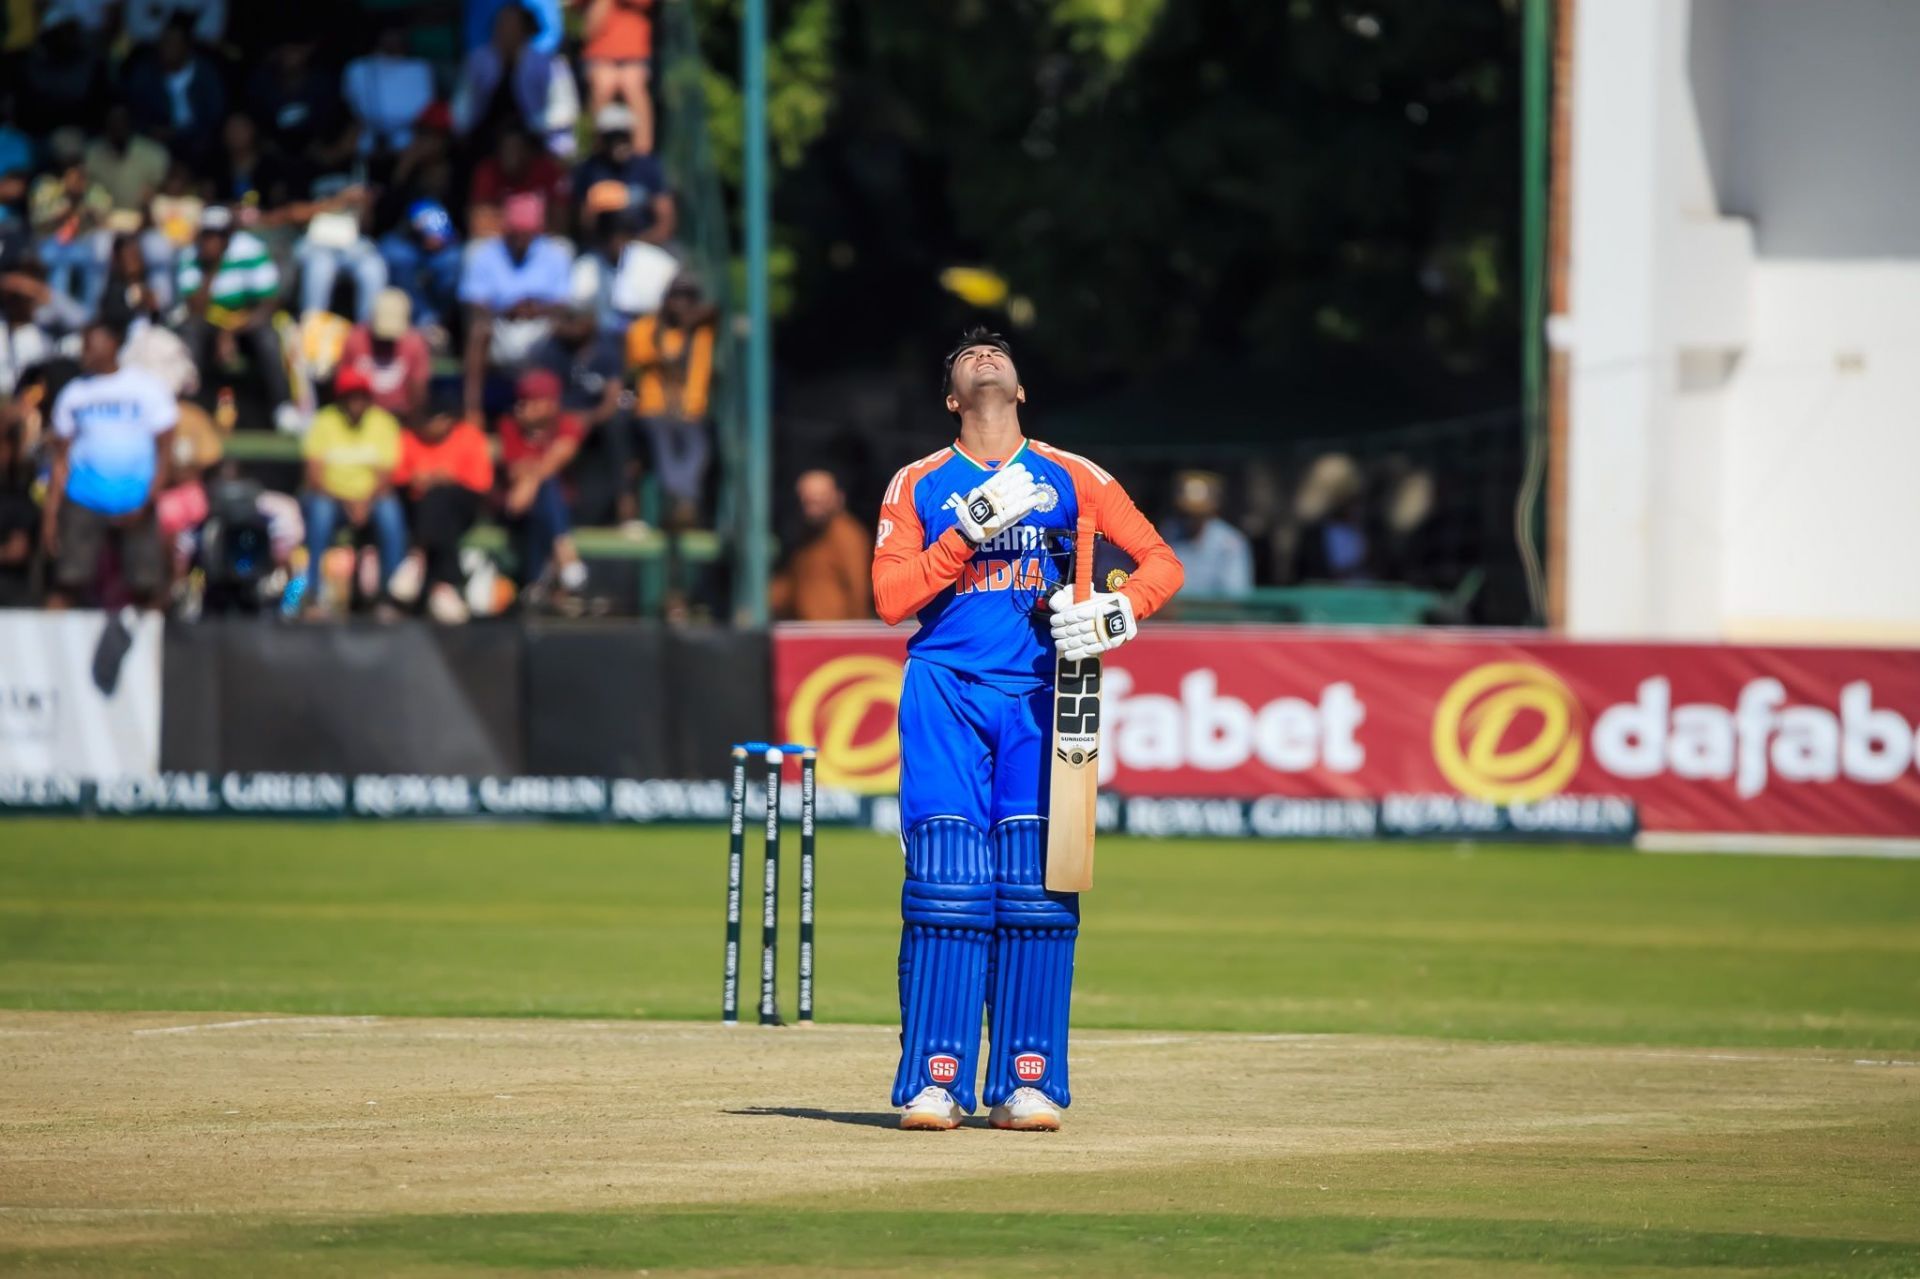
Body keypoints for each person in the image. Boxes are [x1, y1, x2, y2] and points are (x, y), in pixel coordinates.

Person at [871, 328, 1182, 1132]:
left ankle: (1025, 1081)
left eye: (998, 354)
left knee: (1038, 891)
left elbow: (1160, 562)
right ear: (952, 399)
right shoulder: (920, 482)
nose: (984, 355)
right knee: (946, 881)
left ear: (1020, 390)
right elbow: (889, 596)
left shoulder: (1073, 475)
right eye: (966, 358)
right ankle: (934, 1080)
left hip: (1045, 693)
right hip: (944, 689)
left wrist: (1118, 610)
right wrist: (965, 532)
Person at [40, 319, 180, 610]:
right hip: (84, 499)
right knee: (68, 579)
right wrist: (51, 514)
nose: (85, 352)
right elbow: (60, 459)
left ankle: (151, 649)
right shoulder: (74, 393)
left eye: (93, 344)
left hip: (135, 499)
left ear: (114, 344)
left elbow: (165, 450)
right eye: (84, 345)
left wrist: (151, 496)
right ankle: (49, 650)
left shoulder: (146, 388)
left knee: (147, 584)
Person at [176, 206, 300, 433]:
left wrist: (230, 332)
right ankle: (188, 405)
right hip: (208, 324)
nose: (211, 240)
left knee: (268, 337)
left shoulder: (251, 249)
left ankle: (283, 407)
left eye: (218, 235)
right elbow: (195, 309)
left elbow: (269, 303)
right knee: (189, 332)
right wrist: (211, 267)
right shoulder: (191, 255)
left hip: (247, 324)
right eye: (207, 234)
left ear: (229, 236)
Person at [299, 365, 407, 607]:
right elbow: (314, 477)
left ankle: (390, 595)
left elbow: (385, 476)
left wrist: (364, 503)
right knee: (320, 512)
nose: (356, 401)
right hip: (332, 499)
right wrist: (347, 502)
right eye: (351, 395)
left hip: (371, 499)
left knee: (390, 513)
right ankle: (312, 593)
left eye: (361, 395)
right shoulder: (324, 421)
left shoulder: (383, 423)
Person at [460, 191, 573, 418]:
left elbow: (563, 304)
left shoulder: (556, 252)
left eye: (527, 233)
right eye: (515, 233)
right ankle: (472, 410)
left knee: (570, 330)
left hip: (542, 326)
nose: (521, 239)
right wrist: (508, 310)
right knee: (478, 330)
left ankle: (559, 410)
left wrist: (535, 309)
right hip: (500, 326)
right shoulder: (483, 252)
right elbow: (474, 304)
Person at [625, 277, 713, 526]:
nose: (681, 304)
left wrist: (691, 323)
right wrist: (682, 329)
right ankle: (681, 498)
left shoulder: (702, 332)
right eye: (676, 297)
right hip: (653, 409)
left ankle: (682, 500)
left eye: (688, 299)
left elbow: (716, 310)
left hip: (690, 411)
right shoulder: (644, 328)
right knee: (664, 447)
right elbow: (646, 357)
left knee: (698, 448)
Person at [391, 411, 493, 622]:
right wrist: (416, 479)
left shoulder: (468, 436)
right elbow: (397, 475)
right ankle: (443, 586)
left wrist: (446, 478)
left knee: (440, 498)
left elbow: (481, 484)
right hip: (418, 510)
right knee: (434, 502)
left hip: (461, 509)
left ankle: (418, 557)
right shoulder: (409, 437)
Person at [496, 366, 588, 600]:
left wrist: (532, 478)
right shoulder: (509, 427)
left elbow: (557, 459)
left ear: (551, 403)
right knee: (542, 491)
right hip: (516, 512)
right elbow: (515, 472)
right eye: (521, 401)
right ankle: (564, 552)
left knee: (547, 487)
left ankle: (540, 577)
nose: (522, 407)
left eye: (531, 401)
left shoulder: (567, 424)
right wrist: (530, 478)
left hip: (563, 507)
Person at [124, 17, 229, 169]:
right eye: (165, 42)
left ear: (187, 47)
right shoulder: (144, 75)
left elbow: (216, 116)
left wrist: (182, 133)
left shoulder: (205, 73)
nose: (168, 48)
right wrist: (151, 130)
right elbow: (136, 113)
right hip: (159, 142)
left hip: (198, 140)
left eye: (175, 43)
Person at [771, 469, 872, 621]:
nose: (813, 509)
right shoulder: (805, 538)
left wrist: (858, 636)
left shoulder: (848, 536)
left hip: (839, 634)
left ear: (838, 498)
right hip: (805, 632)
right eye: (807, 502)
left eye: (820, 500)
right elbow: (790, 587)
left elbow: (858, 590)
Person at [571, 104, 674, 245]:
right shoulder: (589, 170)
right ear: (601, 139)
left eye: (624, 135)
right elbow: (585, 221)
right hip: (602, 249)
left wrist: (636, 244)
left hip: (646, 244)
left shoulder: (648, 166)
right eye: (612, 136)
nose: (619, 142)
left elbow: (665, 219)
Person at [342, 25, 437, 158]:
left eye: (397, 33)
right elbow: (352, 102)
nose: (393, 38)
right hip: (365, 143)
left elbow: (424, 106)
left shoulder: (419, 68)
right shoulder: (358, 68)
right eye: (389, 33)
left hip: (407, 142)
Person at [338, 288, 431, 421]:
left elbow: (419, 391)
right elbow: (343, 385)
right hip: (361, 421)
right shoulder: (354, 340)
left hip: (401, 419)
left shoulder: (415, 345)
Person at [576, 0, 654, 153]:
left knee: (633, 85)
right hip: (598, 53)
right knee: (604, 84)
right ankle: (598, 150)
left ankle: (642, 155)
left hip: (635, 53)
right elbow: (588, 29)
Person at [378, 200, 463, 336]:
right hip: (408, 251)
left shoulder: (438, 214)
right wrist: (423, 236)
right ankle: (413, 320)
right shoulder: (400, 238)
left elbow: (450, 237)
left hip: (433, 258)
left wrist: (441, 241)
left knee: (451, 260)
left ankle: (433, 322)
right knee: (400, 257)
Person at [1164, 470, 1253, 598]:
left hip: (1215, 617)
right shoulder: (1170, 533)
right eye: (1186, 513)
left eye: (1199, 514)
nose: (1192, 519)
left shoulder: (1231, 541)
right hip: (1172, 617)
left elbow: (1235, 598)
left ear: (1213, 510)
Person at [85, 105, 173, 225]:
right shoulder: (91, 154)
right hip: (102, 223)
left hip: (146, 223)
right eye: (113, 122)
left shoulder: (154, 153)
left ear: (131, 124)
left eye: (122, 122)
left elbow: (163, 192)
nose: (118, 127)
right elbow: (89, 191)